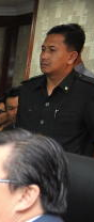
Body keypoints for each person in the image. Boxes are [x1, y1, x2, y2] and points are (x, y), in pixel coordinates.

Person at [17, 23, 94, 155]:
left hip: (69, 167)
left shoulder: (87, 91)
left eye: (52, 50)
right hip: (28, 165)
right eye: (43, 49)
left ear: (71, 57)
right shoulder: (28, 88)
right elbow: (19, 134)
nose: (44, 56)